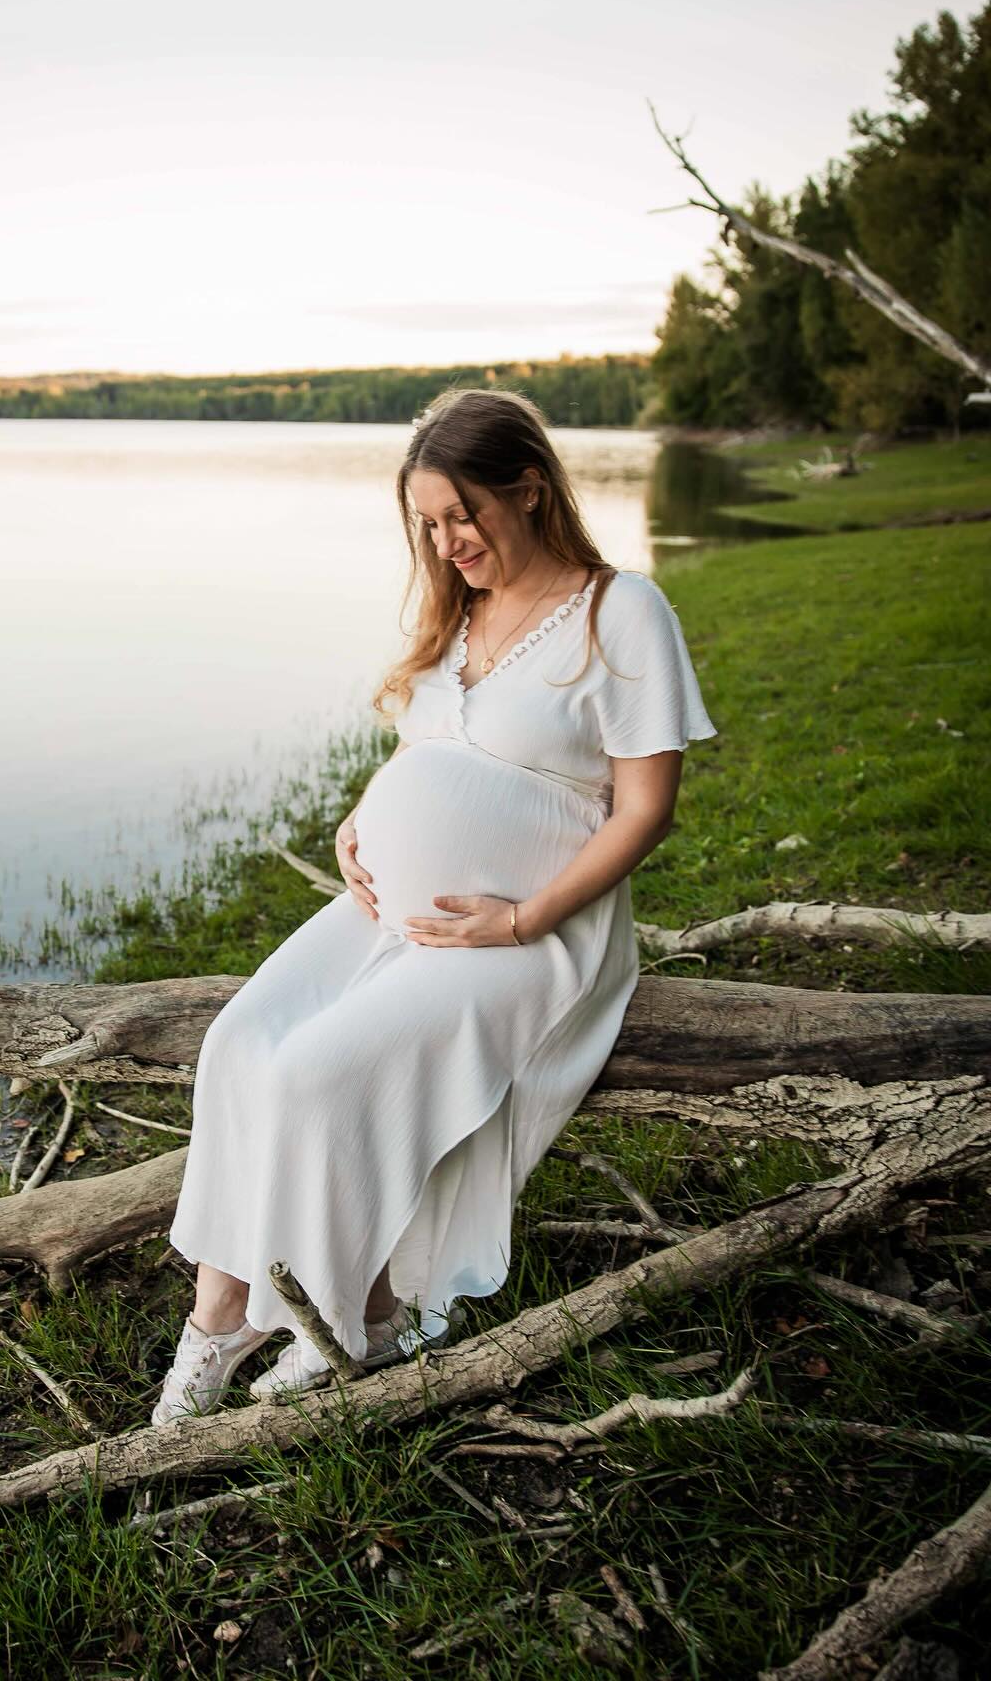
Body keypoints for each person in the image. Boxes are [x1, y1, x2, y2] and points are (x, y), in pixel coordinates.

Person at [152, 386, 718, 1427]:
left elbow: (645, 810)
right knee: (240, 1045)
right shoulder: (458, 611)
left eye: (466, 517)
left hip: (523, 932)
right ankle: (219, 1316)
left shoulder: (618, 612)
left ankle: (345, 1320)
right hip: (392, 919)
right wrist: (363, 814)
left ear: (531, 489)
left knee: (317, 1072)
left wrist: (523, 919)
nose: (449, 542)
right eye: (429, 524)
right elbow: (429, 744)